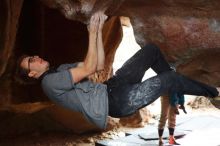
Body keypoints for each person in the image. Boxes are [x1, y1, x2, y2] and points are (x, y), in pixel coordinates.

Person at [18, 12, 220, 130]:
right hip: (116, 103)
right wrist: (92, 31)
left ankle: (174, 92)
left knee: (150, 51)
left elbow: (96, 65)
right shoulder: (49, 83)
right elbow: (89, 66)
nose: (36, 58)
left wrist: (95, 29)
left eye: (32, 56)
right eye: (30, 61)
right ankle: (216, 94)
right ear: (32, 74)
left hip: (113, 86)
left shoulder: (59, 70)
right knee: (168, 78)